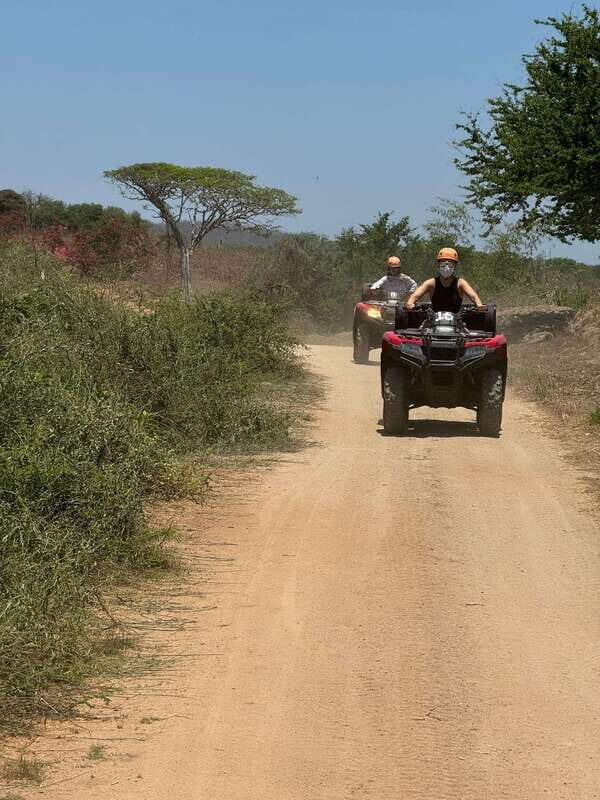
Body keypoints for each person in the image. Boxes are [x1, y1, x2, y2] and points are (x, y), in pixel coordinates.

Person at [404, 247, 483, 311]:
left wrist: (478, 304)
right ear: (438, 265)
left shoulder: (461, 283)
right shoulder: (430, 283)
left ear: (455, 266)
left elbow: (474, 297)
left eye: (450, 265)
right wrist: (410, 303)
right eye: (443, 264)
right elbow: (415, 296)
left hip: (457, 323)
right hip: (434, 322)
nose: (447, 267)